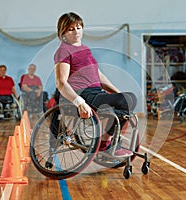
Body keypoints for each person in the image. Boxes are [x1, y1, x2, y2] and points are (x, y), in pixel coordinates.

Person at [54, 12, 137, 157]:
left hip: (98, 92)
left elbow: (98, 75)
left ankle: (107, 139)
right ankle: (106, 141)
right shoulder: (63, 51)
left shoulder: (85, 49)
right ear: (63, 32)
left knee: (128, 99)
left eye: (79, 27)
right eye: (71, 29)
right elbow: (61, 83)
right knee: (127, 100)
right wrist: (79, 103)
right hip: (84, 94)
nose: (76, 32)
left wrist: (118, 94)